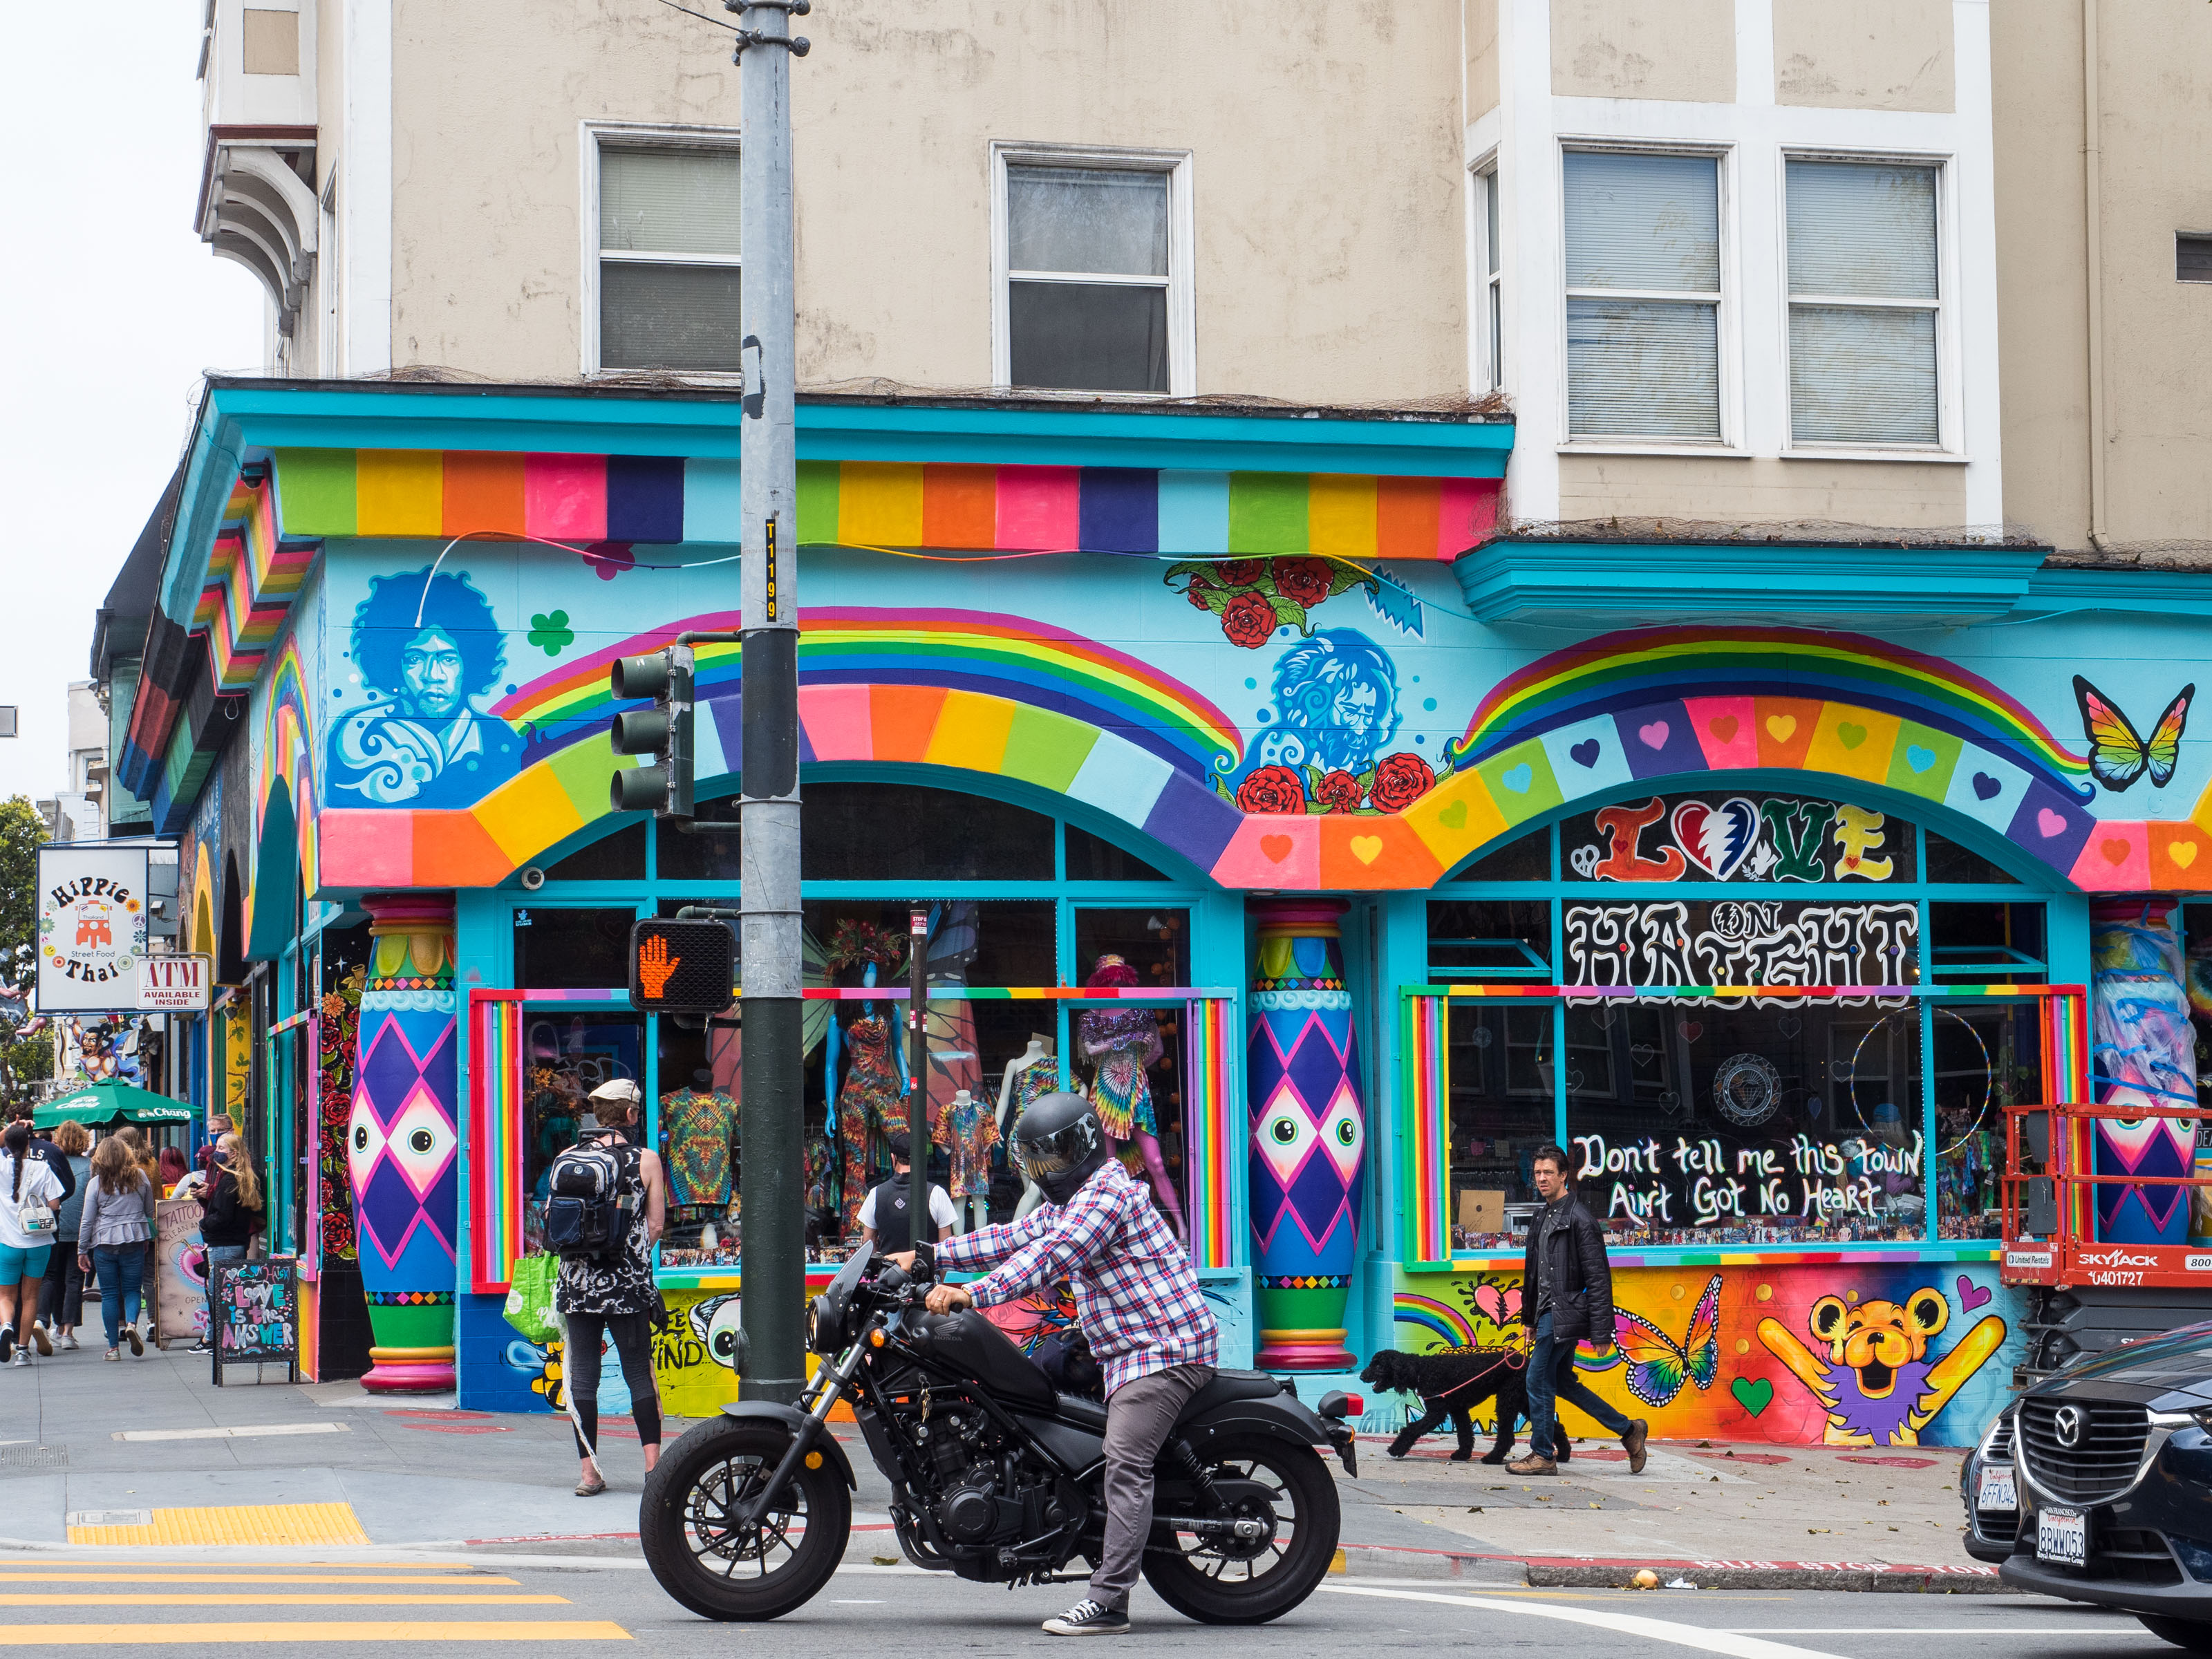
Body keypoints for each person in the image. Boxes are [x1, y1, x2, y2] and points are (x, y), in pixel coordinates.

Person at [894, 1093, 1218, 1638]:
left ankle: (1110, 1601)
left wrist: (973, 1295)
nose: (1047, 1170)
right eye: (1036, 1160)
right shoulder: (1071, 1201)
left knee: (1126, 1460)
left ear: (1086, 1145)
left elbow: (1053, 1257)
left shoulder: (1107, 1195)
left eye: (1056, 1155)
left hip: (1162, 1349)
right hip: (1118, 1347)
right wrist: (927, 1256)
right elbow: (1013, 1236)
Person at [1508, 1144, 1649, 1478]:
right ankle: (1629, 1431)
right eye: (1537, 1173)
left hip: (1563, 1315)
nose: (1541, 1179)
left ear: (1563, 1176)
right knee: (1561, 1381)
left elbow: (1598, 1278)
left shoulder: (1580, 1219)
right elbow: (1534, 1273)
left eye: (1548, 1173)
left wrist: (1602, 1332)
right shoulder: (1543, 1214)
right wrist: (1529, 1318)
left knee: (1537, 1378)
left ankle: (1542, 1454)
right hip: (1546, 1315)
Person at [557, 1082, 668, 1497]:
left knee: (583, 1377)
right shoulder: (645, 1160)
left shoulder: (567, 1158)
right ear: (631, 1115)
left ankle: (590, 1474)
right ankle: (653, 1470)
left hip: (577, 1284)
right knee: (639, 1373)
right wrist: (632, 1254)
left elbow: (554, 1218)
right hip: (627, 1284)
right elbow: (656, 1225)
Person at [76, 1135, 156, 1360]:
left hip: (105, 1243)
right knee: (132, 1290)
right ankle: (131, 1323)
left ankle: (113, 1348)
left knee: (110, 1294)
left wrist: (82, 1249)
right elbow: (149, 1210)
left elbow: (87, 1220)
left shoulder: (96, 1183)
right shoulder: (140, 1177)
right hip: (135, 1240)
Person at [0, 1123, 66, 1365]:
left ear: (7, 1145)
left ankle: (6, 1325)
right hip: (38, 1242)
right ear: (29, 1145)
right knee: (30, 1298)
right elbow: (56, 1204)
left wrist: (9, 1128)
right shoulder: (42, 1168)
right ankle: (22, 1351)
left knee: (6, 1296)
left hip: (7, 1243)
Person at [196, 1132, 264, 1355]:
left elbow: (223, 1217)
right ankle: (220, 1340)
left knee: (220, 1296)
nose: (218, 1151)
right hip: (235, 1243)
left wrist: (204, 1223)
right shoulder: (240, 1178)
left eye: (223, 1148)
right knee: (229, 1295)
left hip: (223, 1244)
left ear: (234, 1154)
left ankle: (218, 1342)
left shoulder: (228, 1180)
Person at [36, 1121, 94, 1351]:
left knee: (53, 1278)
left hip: (53, 1226)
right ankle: (68, 1332)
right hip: (81, 1230)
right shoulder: (91, 1165)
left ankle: (52, 1325)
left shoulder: (51, 1163)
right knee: (74, 1280)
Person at [857, 1130, 957, 1251]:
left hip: (888, 1269)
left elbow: (868, 1246)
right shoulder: (937, 1194)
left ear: (893, 1157)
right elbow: (945, 1249)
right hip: (927, 1269)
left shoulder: (875, 1194)